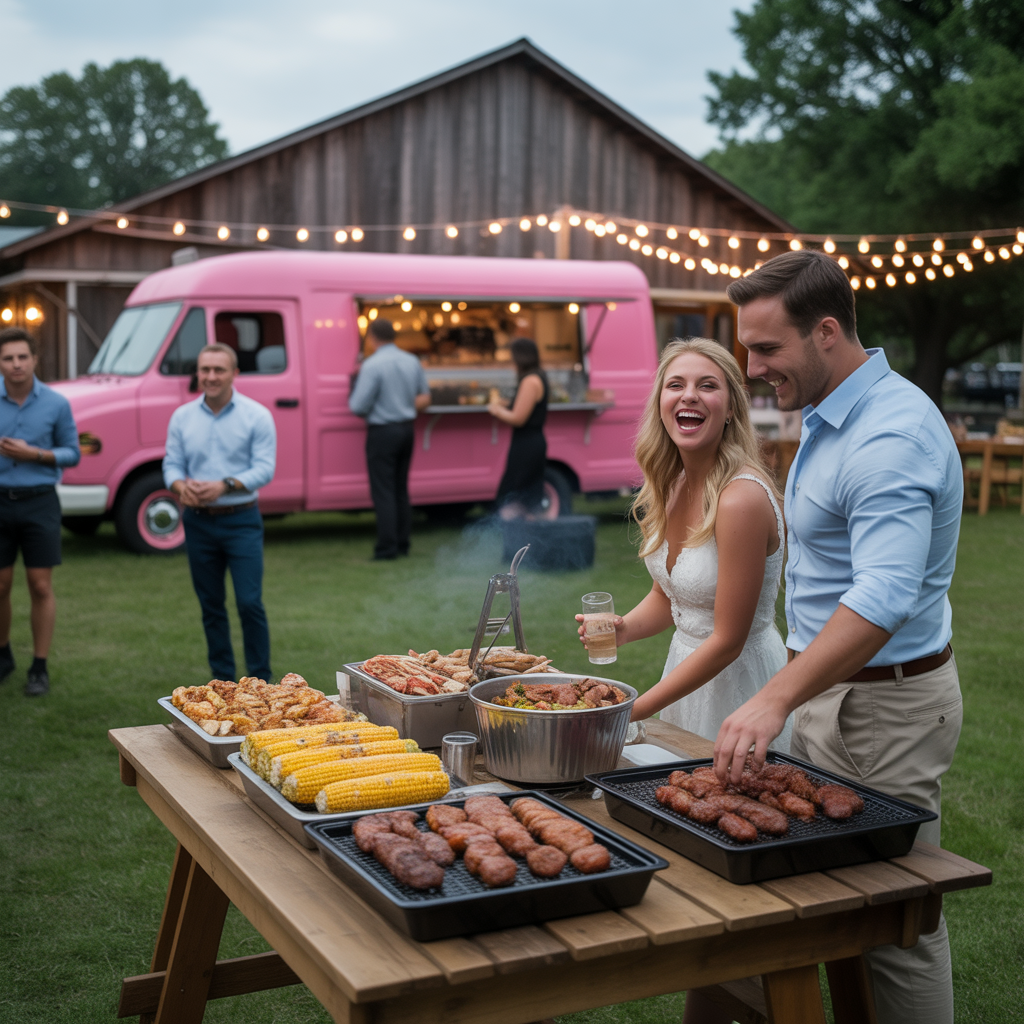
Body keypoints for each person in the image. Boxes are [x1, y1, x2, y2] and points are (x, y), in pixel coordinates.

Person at [713, 250, 963, 1024]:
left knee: (896, 922)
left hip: (883, 709)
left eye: (765, 350)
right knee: (820, 903)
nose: (752, 369)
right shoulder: (834, 413)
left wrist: (771, 699)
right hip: (831, 693)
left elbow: (884, 594)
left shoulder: (891, 435)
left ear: (826, 332)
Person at [577, 337, 791, 743]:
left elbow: (728, 641)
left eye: (707, 386)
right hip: (686, 674)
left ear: (731, 409)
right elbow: (670, 596)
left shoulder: (740, 499)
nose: (688, 395)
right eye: (675, 385)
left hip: (740, 686)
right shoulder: (674, 485)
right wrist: (623, 629)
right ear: (660, 402)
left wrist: (629, 710)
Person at [164, 343, 276, 682]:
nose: (210, 377)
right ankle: (223, 680)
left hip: (241, 520)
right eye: (205, 370)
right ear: (197, 373)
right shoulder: (182, 416)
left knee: (249, 602)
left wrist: (224, 485)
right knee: (211, 605)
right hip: (198, 523)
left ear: (234, 374)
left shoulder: (256, 415)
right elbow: (171, 464)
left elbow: (265, 469)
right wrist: (182, 488)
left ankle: (260, 680)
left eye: (218, 370)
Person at [0, 328, 80, 696]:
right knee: (0, 585)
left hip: (40, 501)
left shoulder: (56, 403)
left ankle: (39, 666)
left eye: (21, 357)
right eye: (8, 358)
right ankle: (3, 655)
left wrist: (34, 454)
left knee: (40, 585)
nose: (15, 364)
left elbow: (72, 453)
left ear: (34, 360)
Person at [349, 319, 430, 560]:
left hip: (383, 430)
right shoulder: (411, 360)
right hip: (406, 428)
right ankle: (403, 543)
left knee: (383, 491)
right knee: (400, 489)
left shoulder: (372, 365)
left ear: (372, 337)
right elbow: (425, 397)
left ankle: (387, 548)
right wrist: (403, 406)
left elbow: (357, 405)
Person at [488, 338, 548, 517]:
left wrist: (496, 410)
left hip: (526, 445)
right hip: (532, 443)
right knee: (528, 500)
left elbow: (518, 418)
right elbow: (524, 404)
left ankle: (516, 540)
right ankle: (529, 541)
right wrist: (506, 403)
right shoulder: (538, 376)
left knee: (512, 498)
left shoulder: (530, 380)